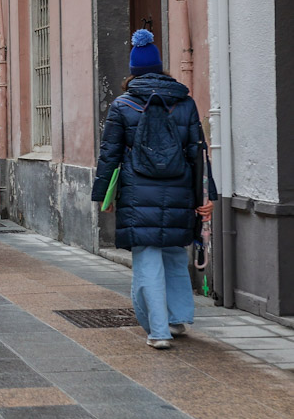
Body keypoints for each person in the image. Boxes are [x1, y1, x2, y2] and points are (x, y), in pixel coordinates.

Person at [91, 30, 215, 350]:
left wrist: (102, 194)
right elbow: (196, 152)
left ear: (133, 71)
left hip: (137, 192)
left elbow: (110, 154)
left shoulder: (123, 105)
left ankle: (158, 331)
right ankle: (178, 319)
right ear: (161, 68)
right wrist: (204, 196)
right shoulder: (185, 103)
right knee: (175, 255)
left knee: (147, 261)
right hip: (179, 191)